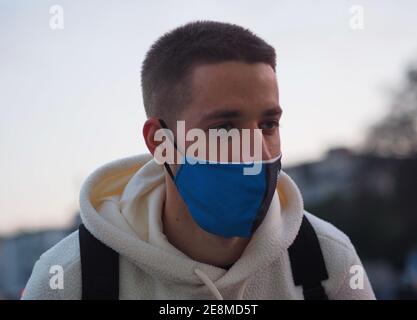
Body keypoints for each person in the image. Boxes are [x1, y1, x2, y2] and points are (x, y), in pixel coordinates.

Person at [22, 20, 375, 300]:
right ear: (160, 141)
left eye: (268, 124)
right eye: (224, 127)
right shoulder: (71, 279)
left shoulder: (326, 260)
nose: (259, 151)